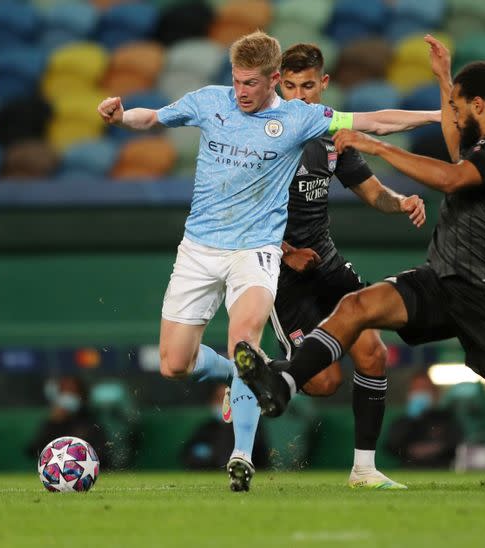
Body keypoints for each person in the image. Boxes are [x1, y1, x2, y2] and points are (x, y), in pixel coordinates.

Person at [233, 35, 485, 493]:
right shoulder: (482, 145)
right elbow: (457, 150)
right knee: (356, 306)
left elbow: (453, 177)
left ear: (478, 104)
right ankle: (285, 383)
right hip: (439, 282)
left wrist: (377, 147)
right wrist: (442, 78)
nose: (450, 114)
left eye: (456, 105)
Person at [97, 31, 439, 491]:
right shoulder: (209, 101)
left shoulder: (301, 120)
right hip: (199, 249)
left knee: (246, 341)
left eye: (251, 84)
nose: (241, 91)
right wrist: (121, 117)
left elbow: (374, 121)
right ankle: (250, 374)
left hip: (255, 252)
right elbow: (153, 117)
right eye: (237, 81)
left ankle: (241, 455)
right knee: (174, 363)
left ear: (273, 79)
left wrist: (438, 114)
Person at [272, 43, 425, 489]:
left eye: (307, 86)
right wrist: (286, 252)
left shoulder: (330, 135)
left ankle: (363, 470)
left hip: (328, 262)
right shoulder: (266, 134)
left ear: (323, 84)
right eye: (289, 86)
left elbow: (372, 191)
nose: (299, 96)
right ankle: (253, 375)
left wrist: (403, 203)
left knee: (374, 352)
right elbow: (242, 211)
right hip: (282, 273)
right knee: (322, 383)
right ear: (279, 84)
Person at [384, 370, 463, 469]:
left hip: (441, 470)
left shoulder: (446, 419)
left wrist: (436, 448)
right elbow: (391, 446)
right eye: (416, 389)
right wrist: (411, 450)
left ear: (435, 393)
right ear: (409, 394)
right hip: (408, 470)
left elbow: (457, 445)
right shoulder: (402, 421)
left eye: (424, 389)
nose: (420, 393)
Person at [26, 376, 109, 468]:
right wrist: (53, 423)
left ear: (81, 395)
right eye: (64, 392)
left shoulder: (91, 422)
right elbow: (32, 450)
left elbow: (103, 455)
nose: (67, 396)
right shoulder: (52, 422)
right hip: (54, 472)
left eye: (72, 392)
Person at [181, 385, 268, 470]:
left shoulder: (248, 427)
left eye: (228, 399)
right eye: (220, 398)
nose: (224, 403)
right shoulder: (206, 428)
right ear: (212, 402)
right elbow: (186, 455)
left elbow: (262, 458)